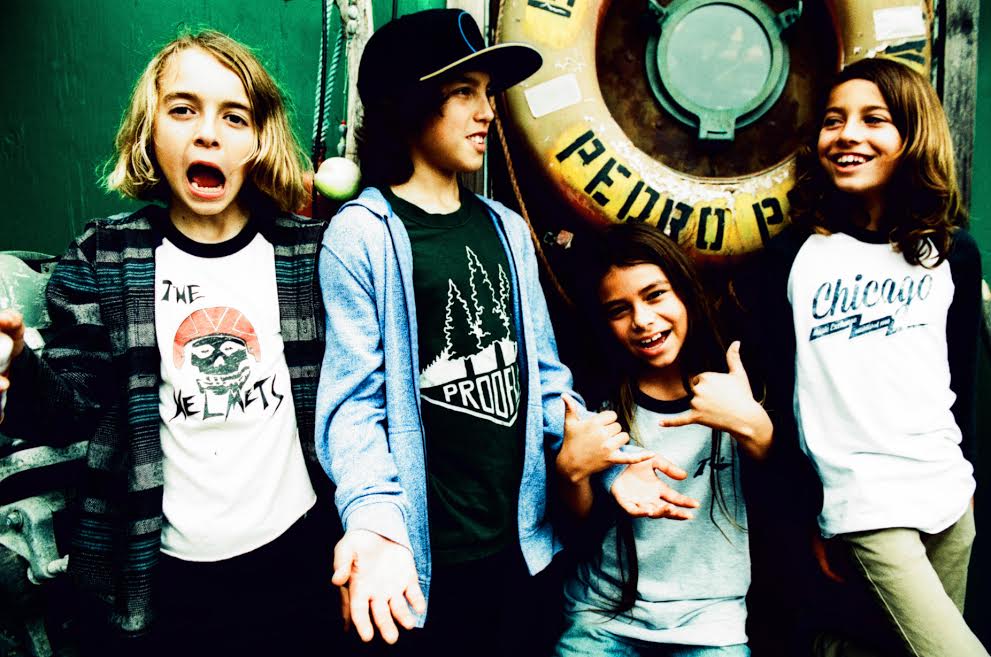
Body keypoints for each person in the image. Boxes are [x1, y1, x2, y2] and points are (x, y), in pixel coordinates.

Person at [0, 29, 340, 657]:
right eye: (183, 109)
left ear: (259, 140)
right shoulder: (106, 256)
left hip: (298, 558)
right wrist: (18, 364)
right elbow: (69, 408)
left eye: (234, 116)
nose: (208, 133)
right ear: (150, 132)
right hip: (161, 577)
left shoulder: (306, 252)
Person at [315, 9, 640, 655]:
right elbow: (352, 407)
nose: (487, 111)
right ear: (409, 104)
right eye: (464, 92)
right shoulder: (361, 236)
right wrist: (375, 522)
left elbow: (545, 377)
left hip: (525, 550)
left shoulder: (505, 228)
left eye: (488, 93)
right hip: (424, 566)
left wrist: (606, 466)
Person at [750, 57, 986, 657]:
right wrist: (809, 510)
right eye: (833, 121)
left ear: (913, 134)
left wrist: (966, 484)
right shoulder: (794, 257)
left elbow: (959, 385)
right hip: (863, 503)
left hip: (947, 498)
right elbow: (784, 399)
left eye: (873, 119)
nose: (847, 134)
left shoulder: (952, 254)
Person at [551, 223, 772, 656]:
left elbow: (785, 504)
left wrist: (755, 427)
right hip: (602, 618)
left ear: (684, 291)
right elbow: (576, 527)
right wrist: (572, 473)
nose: (642, 320)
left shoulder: (736, 385)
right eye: (619, 310)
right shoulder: (596, 400)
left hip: (710, 623)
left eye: (655, 295)